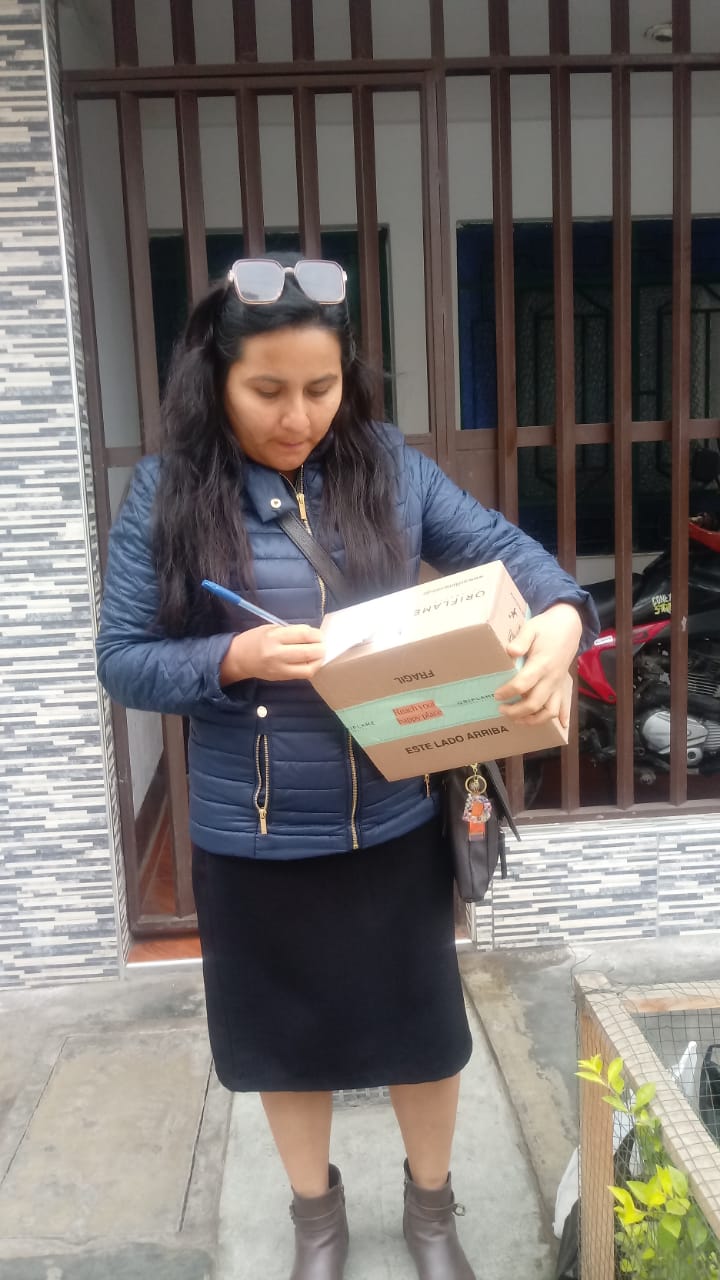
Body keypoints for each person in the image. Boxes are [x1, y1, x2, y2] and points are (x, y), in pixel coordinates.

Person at [96, 252, 599, 1280]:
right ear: (216, 379)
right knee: (286, 1042)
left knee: (424, 1032)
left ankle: (431, 1212)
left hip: (393, 820)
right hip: (254, 833)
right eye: (267, 391)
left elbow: (515, 555)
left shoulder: (390, 467)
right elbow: (123, 659)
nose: (298, 416)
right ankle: (315, 1220)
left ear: (348, 376)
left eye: (320, 388)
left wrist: (559, 617)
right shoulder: (167, 491)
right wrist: (231, 657)